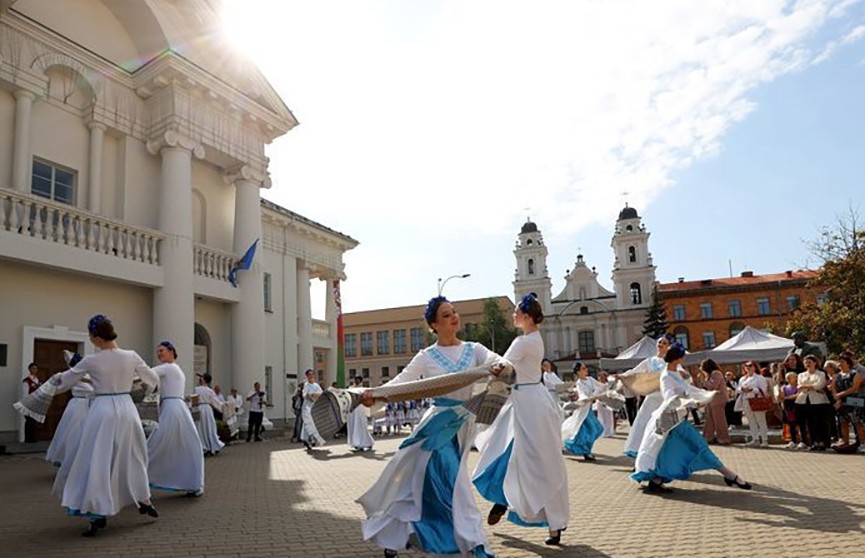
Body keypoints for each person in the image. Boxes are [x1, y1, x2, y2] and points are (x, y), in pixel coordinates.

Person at [357, 296, 499, 558]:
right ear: (433, 325)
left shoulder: (475, 349)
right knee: (454, 481)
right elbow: (401, 383)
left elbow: (497, 361)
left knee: (417, 487)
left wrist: (502, 367)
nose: (454, 317)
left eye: (454, 312)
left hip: (462, 424)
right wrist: (373, 394)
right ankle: (474, 542)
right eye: (446, 315)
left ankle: (396, 537)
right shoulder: (427, 356)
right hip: (437, 427)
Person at [50, 314, 160, 537]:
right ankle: (144, 500)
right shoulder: (131, 356)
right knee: (134, 456)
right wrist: (138, 386)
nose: (91, 340)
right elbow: (153, 380)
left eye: (91, 336)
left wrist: (47, 386)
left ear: (97, 337)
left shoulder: (92, 360)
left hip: (102, 410)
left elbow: (66, 382)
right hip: (127, 409)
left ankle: (97, 514)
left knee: (98, 460)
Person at [473, 293, 569, 546]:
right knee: (535, 458)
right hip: (532, 401)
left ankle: (508, 501)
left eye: (516, 312)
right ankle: (552, 523)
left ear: (526, 316)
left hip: (528, 403)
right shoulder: (535, 338)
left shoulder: (523, 341)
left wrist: (477, 364)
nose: (513, 315)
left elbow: (502, 365)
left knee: (526, 458)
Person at [632, 342, 751, 493]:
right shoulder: (666, 376)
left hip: (677, 417)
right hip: (670, 417)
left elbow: (689, 390)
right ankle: (730, 476)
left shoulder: (675, 374)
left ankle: (657, 480)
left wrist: (705, 396)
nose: (683, 360)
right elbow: (670, 397)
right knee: (696, 446)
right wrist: (691, 400)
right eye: (682, 357)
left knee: (668, 449)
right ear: (678, 359)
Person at [146, 341, 204, 496]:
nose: (159, 353)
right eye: (158, 351)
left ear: (171, 351)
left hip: (172, 407)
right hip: (177, 407)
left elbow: (146, 373)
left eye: (162, 350)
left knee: (157, 443)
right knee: (187, 445)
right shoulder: (176, 368)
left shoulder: (168, 367)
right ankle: (192, 482)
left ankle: (139, 475)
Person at [620, 334, 675, 459]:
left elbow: (680, 376)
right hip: (651, 399)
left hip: (665, 400)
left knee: (661, 428)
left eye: (664, 343)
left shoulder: (671, 363)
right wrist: (623, 376)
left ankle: (660, 457)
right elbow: (634, 372)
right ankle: (640, 454)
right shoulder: (649, 361)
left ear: (669, 347)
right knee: (642, 424)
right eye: (659, 342)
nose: (660, 345)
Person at [561, 362, 606, 461]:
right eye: (583, 368)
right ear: (578, 372)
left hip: (588, 408)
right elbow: (582, 395)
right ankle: (586, 452)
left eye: (586, 368)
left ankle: (576, 447)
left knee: (595, 429)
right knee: (593, 429)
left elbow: (600, 386)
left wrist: (610, 384)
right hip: (583, 409)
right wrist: (589, 398)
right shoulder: (579, 383)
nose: (586, 370)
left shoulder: (590, 379)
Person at [796, 354, 831, 451]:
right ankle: (813, 442)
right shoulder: (801, 375)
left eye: (809, 362)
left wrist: (807, 386)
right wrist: (810, 386)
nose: (807, 364)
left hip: (819, 401)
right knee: (810, 423)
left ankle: (823, 442)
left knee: (821, 422)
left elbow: (819, 385)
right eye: (806, 362)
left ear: (815, 363)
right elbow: (799, 386)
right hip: (805, 400)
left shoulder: (821, 374)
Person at [831, 355, 865, 451]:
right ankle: (845, 442)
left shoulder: (855, 374)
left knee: (858, 422)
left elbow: (855, 388)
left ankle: (863, 443)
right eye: (839, 362)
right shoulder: (837, 376)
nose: (840, 364)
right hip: (841, 403)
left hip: (854, 401)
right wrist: (837, 398)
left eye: (842, 362)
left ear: (848, 363)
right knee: (843, 422)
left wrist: (841, 394)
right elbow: (833, 387)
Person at [737, 360, 770, 448]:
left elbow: (763, 390)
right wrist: (742, 389)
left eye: (750, 366)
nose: (748, 367)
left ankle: (764, 440)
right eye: (746, 366)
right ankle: (755, 439)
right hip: (745, 400)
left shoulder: (760, 378)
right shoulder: (742, 379)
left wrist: (752, 389)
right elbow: (738, 389)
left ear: (755, 367)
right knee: (751, 421)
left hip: (756, 400)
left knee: (761, 421)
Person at [698, 358, 730, 445]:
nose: (700, 368)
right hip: (711, 400)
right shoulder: (709, 375)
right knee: (709, 420)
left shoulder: (716, 373)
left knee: (719, 420)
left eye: (701, 366)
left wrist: (703, 381)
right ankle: (708, 437)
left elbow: (713, 387)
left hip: (718, 399)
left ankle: (723, 438)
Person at [195, 373, 225, 456]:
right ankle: (212, 446)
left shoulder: (196, 389)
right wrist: (223, 406)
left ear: (203, 379)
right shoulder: (210, 390)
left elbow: (193, 399)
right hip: (207, 409)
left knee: (200, 428)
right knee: (209, 427)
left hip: (199, 408)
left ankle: (204, 446)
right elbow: (215, 402)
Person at [347, 375, 375, 452]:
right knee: (353, 426)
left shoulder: (363, 390)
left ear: (361, 381)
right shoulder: (350, 388)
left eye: (359, 380)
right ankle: (356, 443)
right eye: (356, 379)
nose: (357, 381)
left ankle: (367, 443)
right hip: (352, 410)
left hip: (359, 409)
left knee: (361, 426)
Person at [300, 369, 326, 450]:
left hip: (315, 407)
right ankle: (307, 439)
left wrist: (317, 398)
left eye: (312, 374)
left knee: (314, 423)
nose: (311, 376)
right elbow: (305, 395)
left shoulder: (316, 385)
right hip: (307, 407)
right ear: (307, 376)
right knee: (308, 423)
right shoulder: (306, 385)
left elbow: (321, 394)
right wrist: (311, 397)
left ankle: (311, 439)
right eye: (309, 375)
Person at [781, 372, 801, 449]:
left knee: (799, 423)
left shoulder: (798, 387)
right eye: (788, 377)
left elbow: (797, 395)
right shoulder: (784, 387)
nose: (789, 379)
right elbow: (782, 396)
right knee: (791, 424)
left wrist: (786, 398)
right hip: (788, 408)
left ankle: (802, 440)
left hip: (797, 405)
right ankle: (793, 440)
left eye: (791, 377)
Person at [22, 363, 41, 443]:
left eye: (36, 368)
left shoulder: (38, 380)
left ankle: (33, 437)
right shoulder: (27, 381)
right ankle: (27, 438)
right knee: (29, 421)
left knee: (34, 420)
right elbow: (25, 393)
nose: (35, 370)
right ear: (29, 369)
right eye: (33, 368)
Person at [595, 371, 616, 438]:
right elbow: (596, 394)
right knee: (602, 417)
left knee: (609, 417)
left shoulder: (608, 385)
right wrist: (601, 400)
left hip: (608, 403)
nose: (601, 378)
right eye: (600, 377)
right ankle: (603, 432)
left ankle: (609, 432)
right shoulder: (597, 385)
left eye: (602, 377)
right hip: (600, 402)